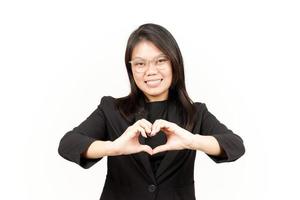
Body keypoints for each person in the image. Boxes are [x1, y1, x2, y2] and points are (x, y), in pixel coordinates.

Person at [58, 23, 245, 200]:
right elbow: (68, 144)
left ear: (174, 63)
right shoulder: (111, 109)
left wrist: (193, 141)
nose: (151, 71)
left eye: (161, 60)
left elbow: (235, 145)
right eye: (140, 64)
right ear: (131, 69)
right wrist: (113, 148)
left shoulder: (195, 113)